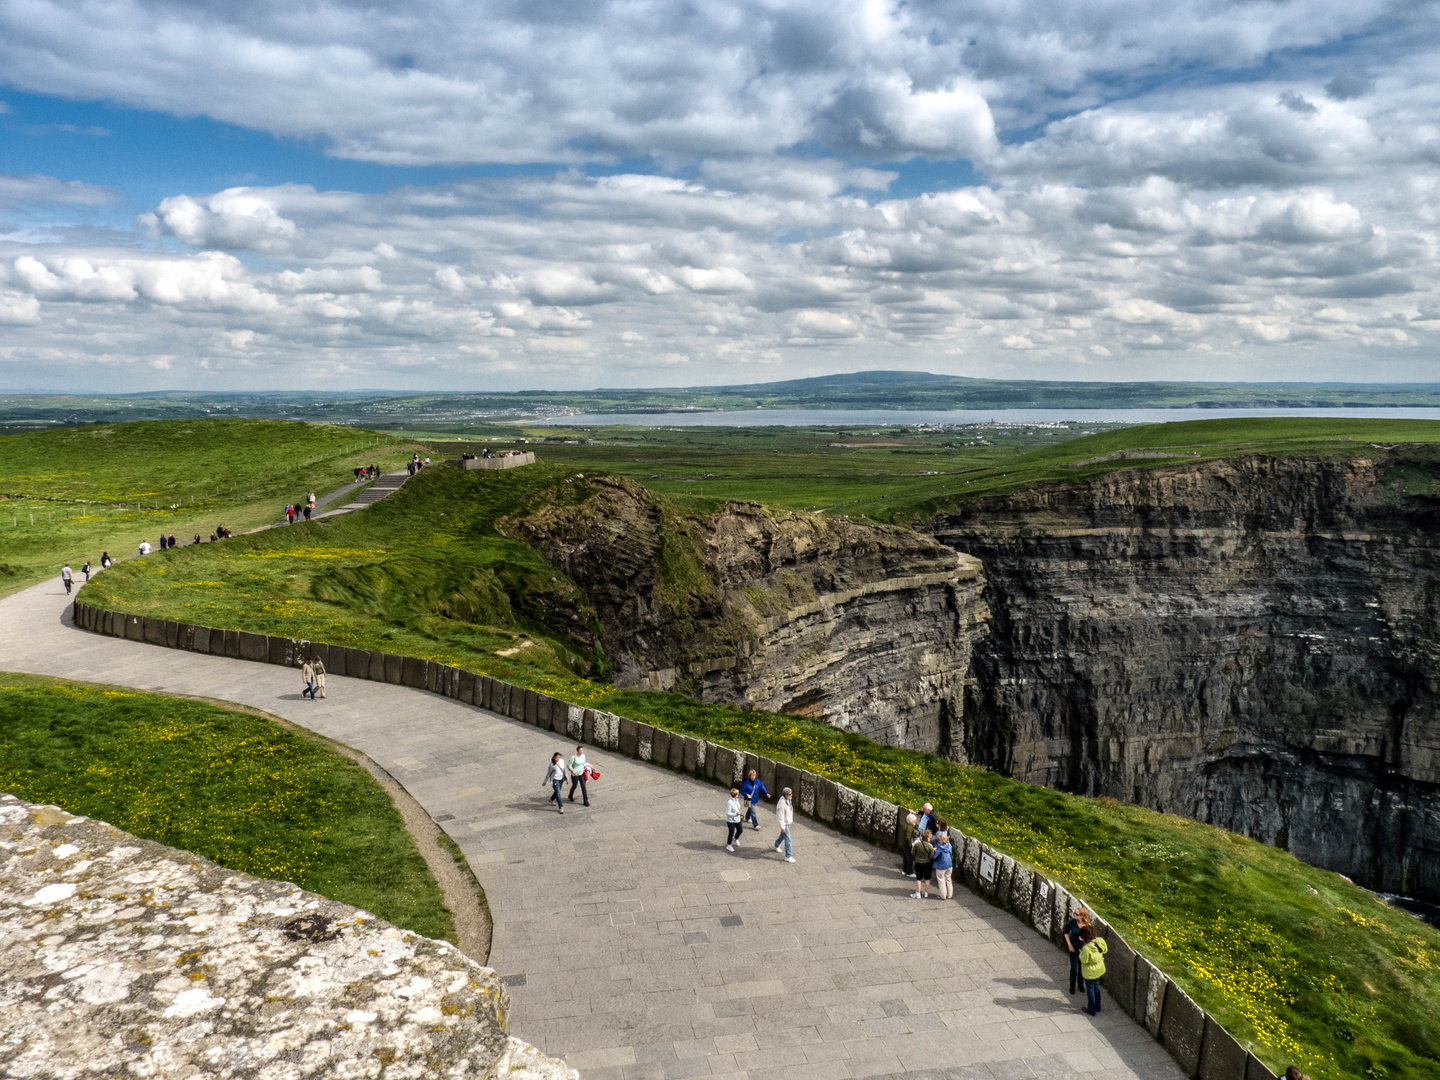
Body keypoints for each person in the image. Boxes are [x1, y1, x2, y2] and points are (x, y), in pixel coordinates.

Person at [1079, 925, 1108, 1016]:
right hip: (1099, 969)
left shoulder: (1086, 948)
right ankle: (1098, 1007)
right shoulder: (1100, 941)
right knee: (1097, 987)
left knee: (1090, 990)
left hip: (1090, 972)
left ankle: (1091, 1009)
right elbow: (1105, 950)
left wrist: (1081, 954)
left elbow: (1084, 960)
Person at [1064, 906, 1090, 995]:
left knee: (1082, 968)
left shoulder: (1087, 925)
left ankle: (1080, 984)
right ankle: (1072, 986)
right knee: (1074, 968)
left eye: (1077, 914)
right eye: (1075, 913)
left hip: (1082, 949)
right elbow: (1066, 933)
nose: (1075, 915)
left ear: (1082, 916)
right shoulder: (1072, 922)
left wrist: (1083, 939)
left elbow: (1090, 937)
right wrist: (1069, 945)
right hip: (1073, 948)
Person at [772, 786, 795, 861]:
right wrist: (783, 827)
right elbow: (780, 816)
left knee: (782, 835)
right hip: (784, 823)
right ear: (786, 795)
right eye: (790, 794)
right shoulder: (782, 803)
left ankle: (776, 845)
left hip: (787, 821)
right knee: (788, 839)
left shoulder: (788, 800)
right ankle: (788, 856)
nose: (791, 795)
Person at [911, 830, 934, 899]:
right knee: (927, 879)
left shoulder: (917, 844)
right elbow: (931, 856)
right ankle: (926, 893)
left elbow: (913, 853)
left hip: (918, 863)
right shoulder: (930, 846)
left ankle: (918, 893)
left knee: (919, 879)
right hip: (927, 864)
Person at [932, 830, 954, 899]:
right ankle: (950, 894)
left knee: (941, 880)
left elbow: (935, 857)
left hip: (941, 866)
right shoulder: (949, 845)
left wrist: (933, 852)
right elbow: (950, 853)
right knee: (948, 879)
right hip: (949, 865)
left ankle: (943, 895)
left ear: (939, 840)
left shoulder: (940, 848)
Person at [901, 812, 918, 877]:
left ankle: (904, 870)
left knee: (905, 859)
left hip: (903, 845)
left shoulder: (907, 826)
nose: (915, 822)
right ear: (911, 821)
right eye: (914, 821)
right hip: (907, 846)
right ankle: (909, 872)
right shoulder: (910, 828)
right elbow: (908, 838)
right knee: (909, 859)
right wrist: (911, 846)